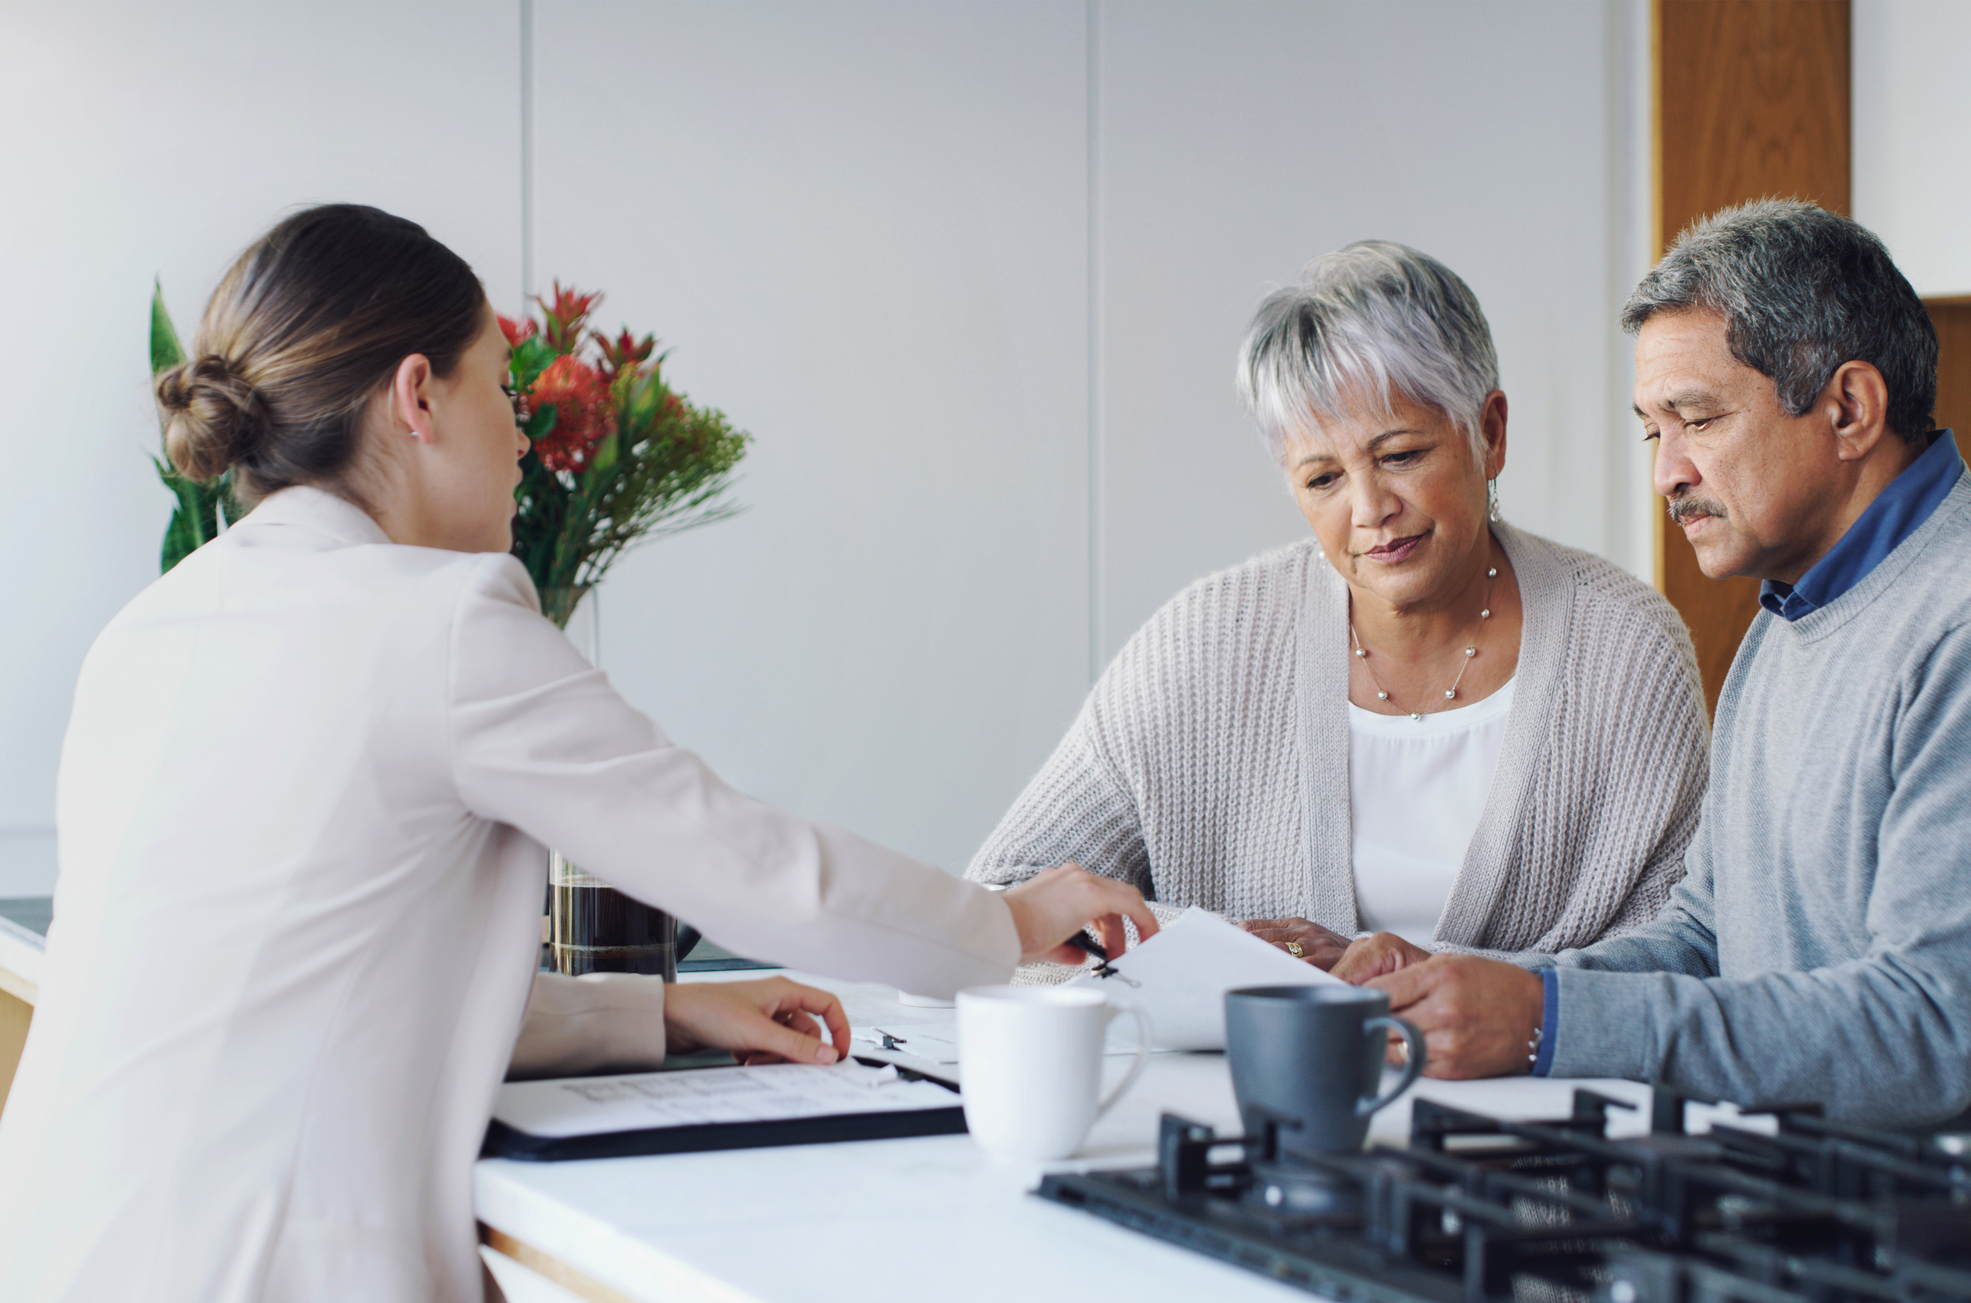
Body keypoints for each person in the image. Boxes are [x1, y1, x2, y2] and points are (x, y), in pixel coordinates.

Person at [0, 205, 1156, 1303]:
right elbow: (751, 865)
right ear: (417, 396)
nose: (523, 434)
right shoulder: (438, 622)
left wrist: (657, 1014)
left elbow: (326, 977)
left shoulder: (147, 633)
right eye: (500, 387)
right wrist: (1001, 924)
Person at [1336, 200, 1971, 1194]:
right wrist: (1463, 986)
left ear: (1846, 409)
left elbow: (1922, 1030)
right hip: (1918, 1214)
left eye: (1698, 419)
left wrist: (1543, 1024)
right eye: (1652, 431)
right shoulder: (1790, 619)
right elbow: (1708, 938)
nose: (1668, 472)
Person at [969, 242, 1707, 977]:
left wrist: (1423, 974)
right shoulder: (1206, 644)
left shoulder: (1627, 649)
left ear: (1489, 432)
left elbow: (1683, 960)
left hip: (1530, 1092)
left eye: (1400, 455)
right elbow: (1003, 906)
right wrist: (1219, 949)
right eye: (1323, 478)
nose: (1370, 510)